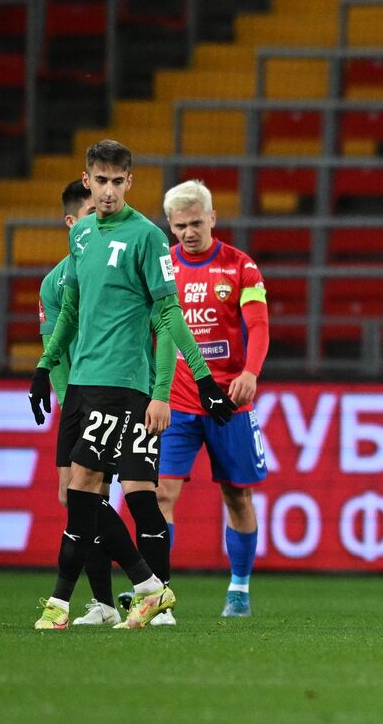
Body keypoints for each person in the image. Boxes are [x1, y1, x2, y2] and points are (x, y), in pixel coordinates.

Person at [28, 141, 237, 630]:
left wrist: (195, 380)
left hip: (123, 381)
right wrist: (45, 365)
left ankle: (73, 601)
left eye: (116, 182)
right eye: (99, 181)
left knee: (93, 490)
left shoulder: (145, 236)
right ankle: (144, 591)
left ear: (129, 183)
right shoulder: (81, 237)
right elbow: (73, 310)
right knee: (94, 492)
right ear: (87, 180)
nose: (107, 191)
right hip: (83, 378)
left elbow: (168, 313)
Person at [152, 180, 271, 619]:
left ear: (213, 218)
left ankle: (239, 589)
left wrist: (250, 372)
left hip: (229, 404)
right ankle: (158, 591)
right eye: (179, 225)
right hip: (178, 403)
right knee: (160, 493)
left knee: (237, 497)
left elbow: (258, 326)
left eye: (196, 223)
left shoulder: (242, 268)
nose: (188, 232)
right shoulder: (161, 268)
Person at [38, 179, 120, 627]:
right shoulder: (53, 283)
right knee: (80, 498)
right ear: (73, 223)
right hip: (79, 399)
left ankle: (145, 585)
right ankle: (111, 601)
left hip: (118, 391)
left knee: (92, 496)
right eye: (93, 211)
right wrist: (74, 406)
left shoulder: (119, 266)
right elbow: (53, 352)